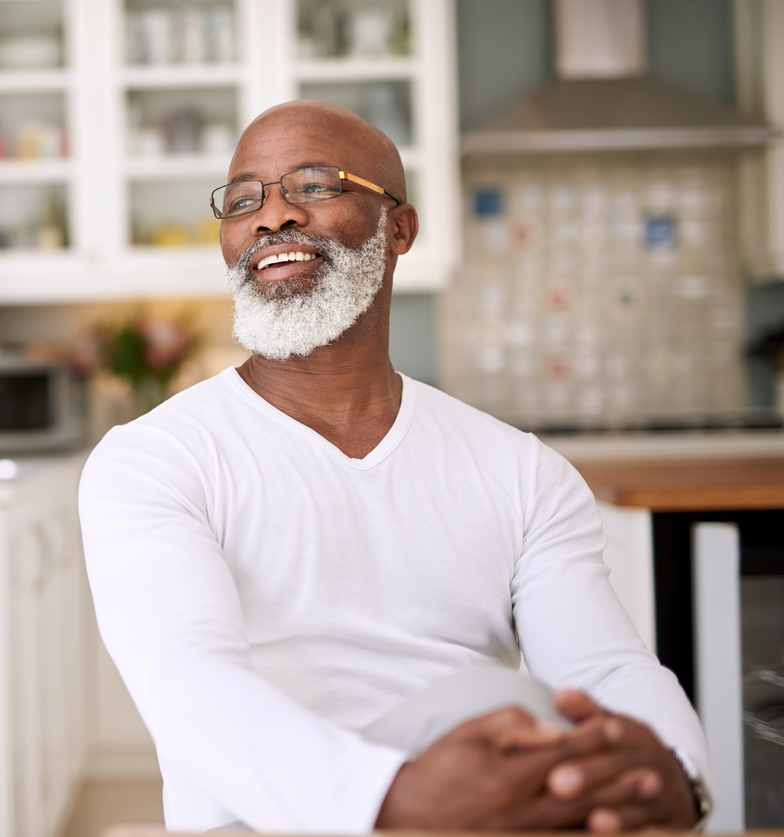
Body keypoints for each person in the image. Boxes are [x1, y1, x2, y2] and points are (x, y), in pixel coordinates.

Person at [78, 100, 711, 834]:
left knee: (550, 734)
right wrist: (394, 797)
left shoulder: (521, 471)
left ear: (398, 228)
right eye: (243, 199)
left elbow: (603, 668)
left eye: (314, 185)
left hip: (480, 807)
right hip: (263, 821)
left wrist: (674, 772)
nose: (271, 216)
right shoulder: (155, 458)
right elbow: (189, 683)